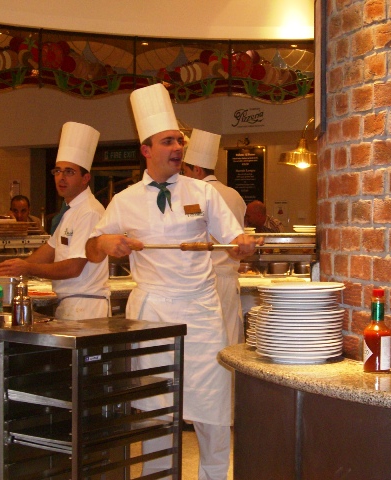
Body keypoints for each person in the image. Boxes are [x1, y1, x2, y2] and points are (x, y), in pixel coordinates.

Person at [85, 83, 260, 480]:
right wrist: (108, 242)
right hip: (152, 314)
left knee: (214, 407)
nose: (178, 148)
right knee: (154, 407)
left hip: (201, 310)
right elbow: (93, 248)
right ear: (146, 149)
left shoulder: (203, 193)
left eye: (179, 141)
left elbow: (233, 242)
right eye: (168, 142)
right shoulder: (124, 200)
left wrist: (243, 245)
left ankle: (215, 476)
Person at [0, 122, 109, 320]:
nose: (61, 178)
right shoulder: (70, 211)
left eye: (69, 172)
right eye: (57, 171)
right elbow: (50, 249)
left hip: (86, 307)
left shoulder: (89, 212)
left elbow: (74, 267)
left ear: (86, 178)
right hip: (71, 303)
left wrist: (28, 268)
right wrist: (15, 268)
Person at [181, 128, 247, 345]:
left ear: (197, 170)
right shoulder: (235, 195)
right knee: (228, 340)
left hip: (204, 280)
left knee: (205, 344)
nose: (184, 177)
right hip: (229, 279)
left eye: (186, 171)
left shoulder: (194, 196)